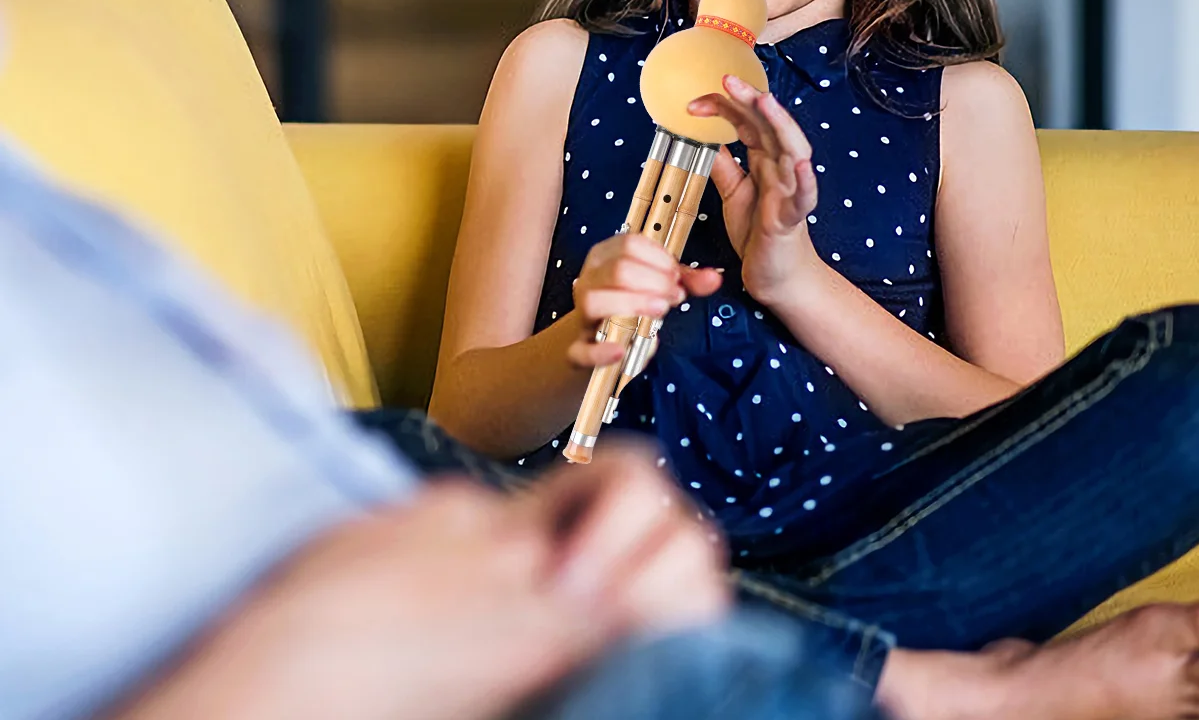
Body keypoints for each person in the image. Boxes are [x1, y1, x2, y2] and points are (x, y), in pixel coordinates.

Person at [423, 0, 1199, 719]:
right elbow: (461, 415)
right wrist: (580, 339)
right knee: (370, 454)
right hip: (614, 526)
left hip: (878, 531)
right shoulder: (557, 71)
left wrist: (797, 282)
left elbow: (1029, 433)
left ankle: (735, 660)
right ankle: (906, 686)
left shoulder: (965, 108)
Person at [0, 133, 869, 720]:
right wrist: (315, 659)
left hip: (562, 615)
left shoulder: (33, 197)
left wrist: (526, 534)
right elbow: (457, 420)